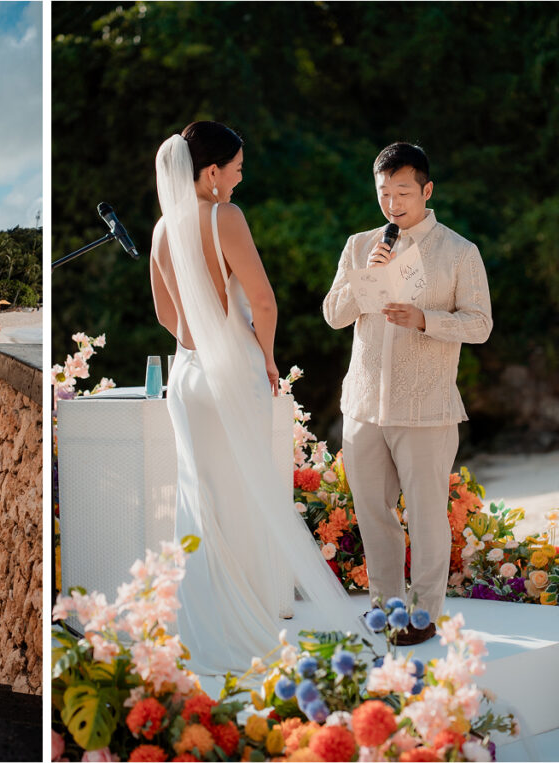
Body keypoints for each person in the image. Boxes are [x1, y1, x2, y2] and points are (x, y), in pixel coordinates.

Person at [151, 121, 359, 674]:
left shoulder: (160, 229)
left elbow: (165, 315)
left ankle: (202, 626)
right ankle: (245, 622)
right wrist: (262, 355)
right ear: (212, 172)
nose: (241, 179)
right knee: (245, 495)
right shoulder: (225, 217)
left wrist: (196, 344)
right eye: (237, 168)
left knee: (201, 499)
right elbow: (263, 302)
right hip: (233, 372)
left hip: (189, 377)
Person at [323, 143, 491, 645]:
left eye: (402, 192)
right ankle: (387, 612)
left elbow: (480, 324)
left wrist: (424, 320)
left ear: (426, 190)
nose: (393, 203)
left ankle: (422, 616)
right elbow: (334, 314)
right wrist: (367, 278)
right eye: (384, 193)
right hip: (365, 405)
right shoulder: (359, 244)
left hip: (426, 407)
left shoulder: (460, 252)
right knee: (374, 515)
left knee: (425, 516)